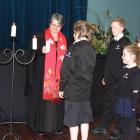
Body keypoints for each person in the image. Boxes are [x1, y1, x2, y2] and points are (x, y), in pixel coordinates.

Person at [27, 13, 67, 134]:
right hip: (43, 77)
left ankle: (55, 126)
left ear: (62, 26)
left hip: (58, 77)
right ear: (49, 23)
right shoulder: (40, 36)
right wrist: (41, 51)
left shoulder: (64, 39)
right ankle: (41, 127)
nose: (55, 28)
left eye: (58, 25)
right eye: (53, 24)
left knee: (56, 102)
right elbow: (31, 55)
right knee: (44, 103)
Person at [92, 17, 131, 134]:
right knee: (107, 103)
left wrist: (122, 80)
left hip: (118, 81)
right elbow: (108, 61)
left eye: (114, 27)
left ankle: (120, 130)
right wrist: (104, 76)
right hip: (109, 80)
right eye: (111, 27)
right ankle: (104, 126)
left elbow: (126, 64)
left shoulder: (125, 42)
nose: (112, 29)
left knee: (117, 106)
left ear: (122, 28)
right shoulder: (112, 42)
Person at [59, 20, 96, 140]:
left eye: (74, 32)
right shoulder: (92, 49)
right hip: (86, 91)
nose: (73, 34)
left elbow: (65, 70)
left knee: (73, 120)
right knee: (84, 119)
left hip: (73, 91)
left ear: (78, 32)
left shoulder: (73, 48)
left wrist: (62, 87)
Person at [110, 44, 140, 140]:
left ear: (132, 57)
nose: (122, 56)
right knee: (121, 123)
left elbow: (136, 91)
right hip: (120, 100)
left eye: (124, 54)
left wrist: (133, 106)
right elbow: (119, 84)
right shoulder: (124, 69)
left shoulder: (136, 72)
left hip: (129, 102)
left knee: (130, 124)